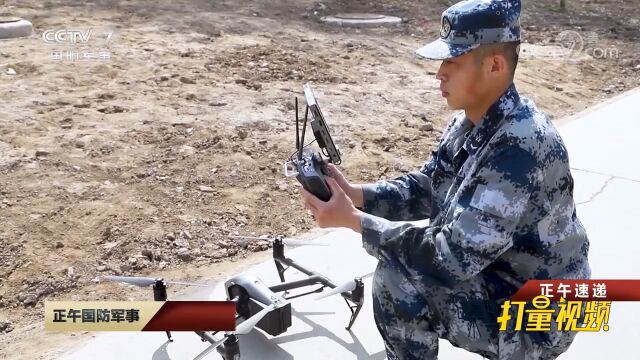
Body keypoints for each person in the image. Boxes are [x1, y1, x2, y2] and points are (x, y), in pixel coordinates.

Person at [300, 0, 591, 359]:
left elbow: (450, 258)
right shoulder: (475, 119)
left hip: (541, 315)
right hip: (502, 276)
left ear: (495, 65)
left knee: (398, 279)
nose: (440, 72)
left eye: (453, 61)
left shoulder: (521, 148)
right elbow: (429, 185)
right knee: (402, 265)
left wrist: (354, 221)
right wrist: (357, 195)